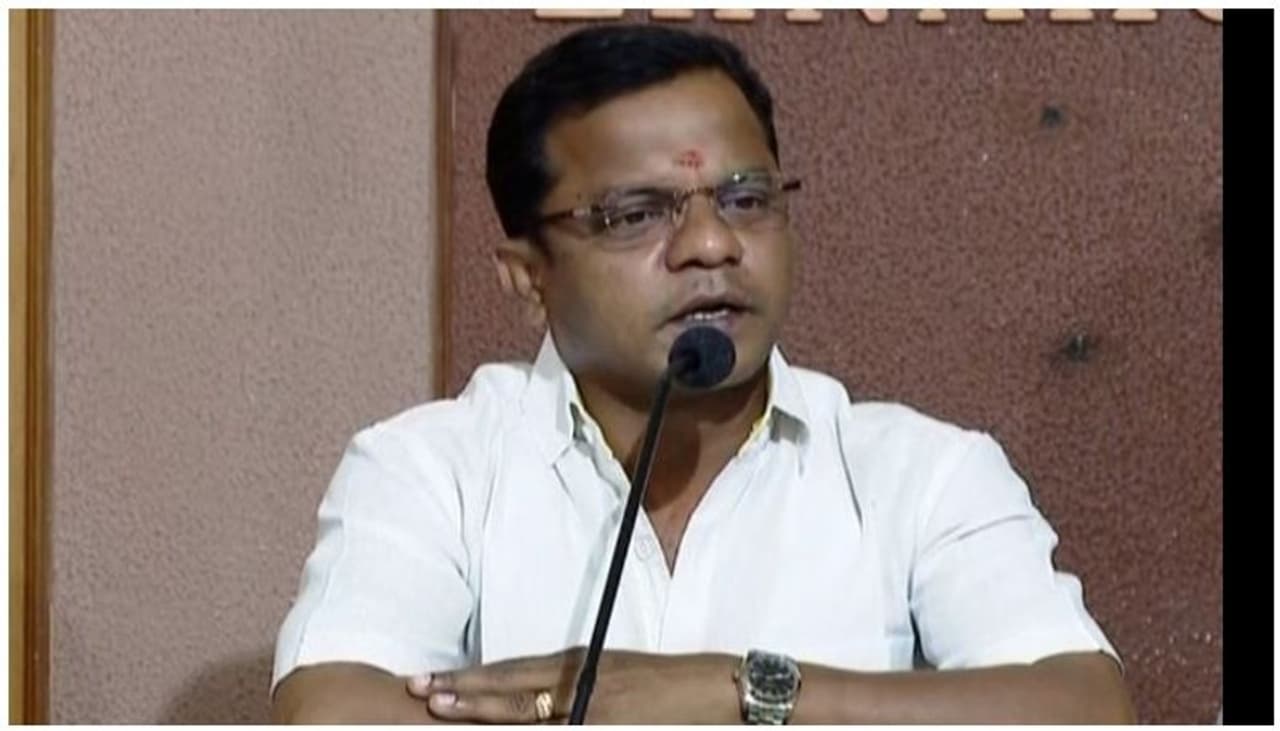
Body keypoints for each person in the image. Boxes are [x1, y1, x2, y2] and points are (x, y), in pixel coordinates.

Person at [270, 23, 1134, 724]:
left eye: (747, 199)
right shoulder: (432, 469)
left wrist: (727, 691)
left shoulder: (921, 473)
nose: (712, 244)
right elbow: (332, 712)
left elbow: (1085, 709)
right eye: (636, 214)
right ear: (528, 279)